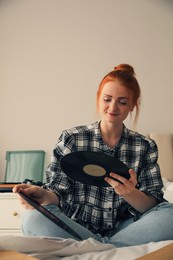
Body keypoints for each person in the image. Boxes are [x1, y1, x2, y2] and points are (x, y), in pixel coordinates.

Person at [13, 64, 173, 247]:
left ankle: (95, 248)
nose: (113, 107)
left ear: (132, 105)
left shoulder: (145, 146)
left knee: (170, 214)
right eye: (107, 99)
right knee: (31, 218)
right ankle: (111, 249)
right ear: (99, 98)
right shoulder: (71, 138)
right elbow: (58, 193)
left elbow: (152, 206)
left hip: (126, 228)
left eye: (122, 102)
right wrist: (42, 194)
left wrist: (131, 193)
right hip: (74, 227)